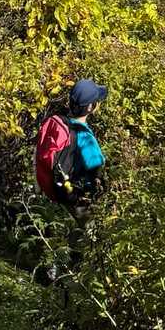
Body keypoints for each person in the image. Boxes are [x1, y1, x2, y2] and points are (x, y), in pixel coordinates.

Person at [33, 78, 107, 287]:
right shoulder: (85, 137)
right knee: (89, 233)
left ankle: (52, 271)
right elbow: (97, 169)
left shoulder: (56, 121)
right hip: (73, 195)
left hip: (52, 189)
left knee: (64, 229)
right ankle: (70, 280)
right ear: (91, 107)